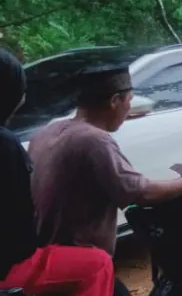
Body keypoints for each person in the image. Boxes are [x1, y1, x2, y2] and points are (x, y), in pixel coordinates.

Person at [27, 64, 182, 295]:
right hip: (78, 266)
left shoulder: (47, 131)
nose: (129, 109)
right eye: (129, 100)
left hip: (44, 258)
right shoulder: (94, 140)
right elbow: (141, 192)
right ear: (114, 101)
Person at [0, 48, 115, 296]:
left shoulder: (44, 132)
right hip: (9, 266)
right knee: (98, 264)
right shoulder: (6, 145)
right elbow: (20, 225)